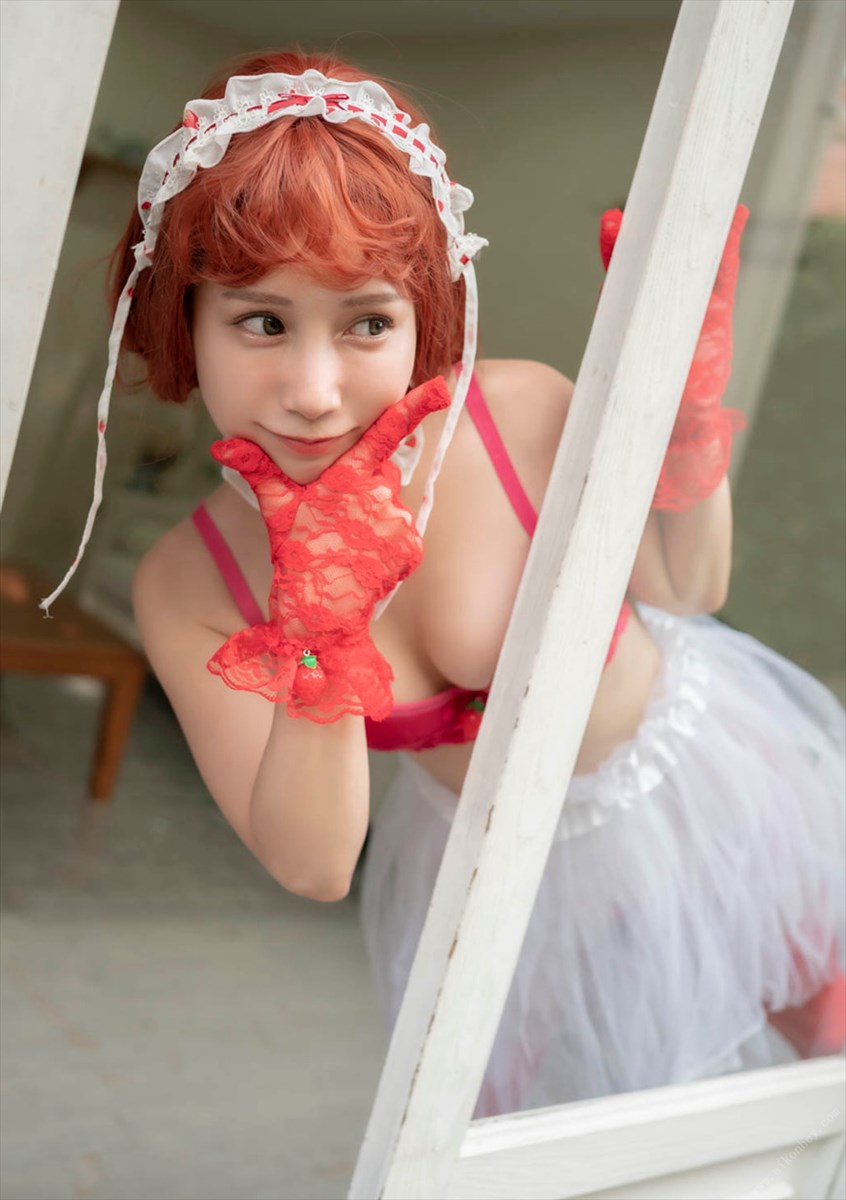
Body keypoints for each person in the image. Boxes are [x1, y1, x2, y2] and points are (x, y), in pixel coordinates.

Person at [77, 48, 843, 1119]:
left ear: (422, 316)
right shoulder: (186, 580)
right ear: (184, 323)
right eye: (261, 321)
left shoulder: (518, 410)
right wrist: (322, 620)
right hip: (501, 885)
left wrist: (682, 420)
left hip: (709, 798)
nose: (314, 390)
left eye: (367, 321)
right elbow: (314, 866)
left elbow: (689, 586)